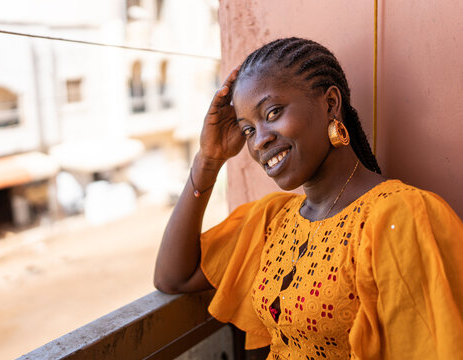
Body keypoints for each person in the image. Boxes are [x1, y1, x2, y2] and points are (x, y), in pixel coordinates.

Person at [154, 37, 463, 359]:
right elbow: (174, 277)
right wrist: (208, 160)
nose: (259, 141)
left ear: (330, 103)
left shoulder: (400, 215)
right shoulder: (272, 220)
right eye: (248, 130)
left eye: (272, 112)